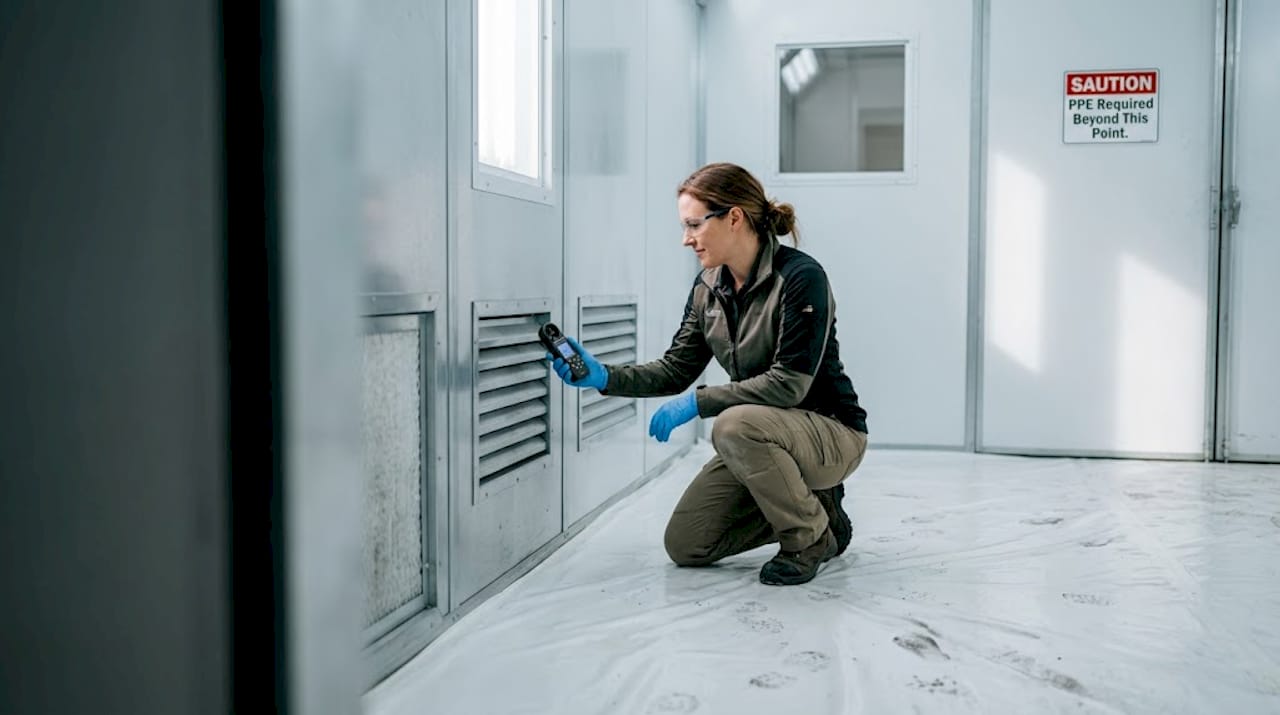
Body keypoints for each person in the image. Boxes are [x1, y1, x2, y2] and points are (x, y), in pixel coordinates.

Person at [548, 162, 869, 586]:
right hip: (764, 438)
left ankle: (809, 540)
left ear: (733, 217)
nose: (687, 239)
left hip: (830, 432)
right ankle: (820, 513)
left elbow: (790, 384)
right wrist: (604, 377)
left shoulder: (800, 277)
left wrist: (699, 402)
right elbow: (676, 368)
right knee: (687, 544)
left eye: (694, 225)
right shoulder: (707, 289)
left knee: (734, 425)